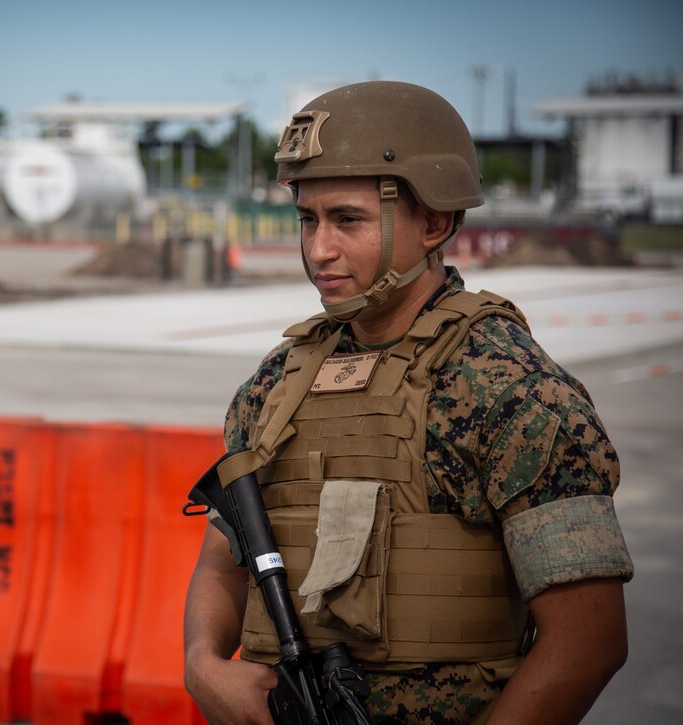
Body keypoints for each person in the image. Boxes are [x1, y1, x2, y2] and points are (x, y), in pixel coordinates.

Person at [183, 81, 633, 725]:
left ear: (435, 223)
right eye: (308, 219)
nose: (319, 250)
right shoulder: (275, 383)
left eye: (349, 220)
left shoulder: (511, 389)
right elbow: (223, 565)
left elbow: (587, 643)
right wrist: (203, 666)